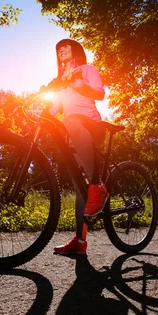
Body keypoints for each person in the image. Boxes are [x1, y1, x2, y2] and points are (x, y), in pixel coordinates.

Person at [47, 38, 109, 255]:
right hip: (73, 132)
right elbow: (54, 109)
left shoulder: (87, 69)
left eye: (66, 46)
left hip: (91, 125)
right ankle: (80, 242)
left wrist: (83, 86)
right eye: (58, 49)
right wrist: (40, 115)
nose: (61, 50)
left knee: (71, 120)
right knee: (78, 188)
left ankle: (97, 185)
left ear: (76, 51)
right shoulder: (61, 82)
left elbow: (100, 94)